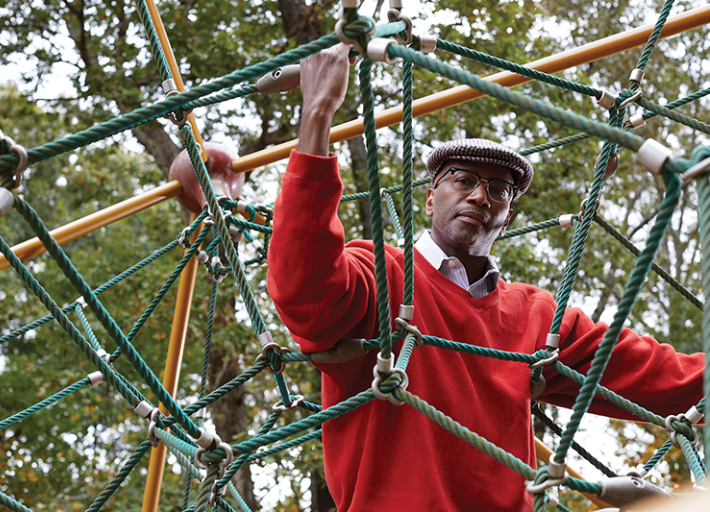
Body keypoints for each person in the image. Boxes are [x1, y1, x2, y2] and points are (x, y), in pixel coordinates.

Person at [266, 44, 705, 512]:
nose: (480, 196)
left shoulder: (536, 319)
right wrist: (316, 115)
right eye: (463, 180)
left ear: (508, 217)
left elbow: (662, 377)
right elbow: (304, 291)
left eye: (498, 190)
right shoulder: (382, 275)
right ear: (431, 198)